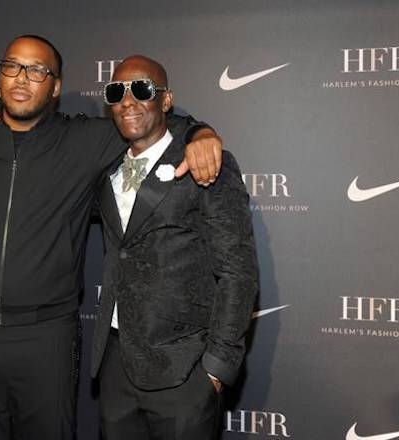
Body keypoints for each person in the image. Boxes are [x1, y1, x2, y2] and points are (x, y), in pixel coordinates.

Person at [0, 35, 223, 440]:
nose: (23, 78)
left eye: (38, 70)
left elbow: (154, 120)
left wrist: (201, 134)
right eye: (13, 66)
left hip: (47, 339)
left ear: (54, 87)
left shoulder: (86, 140)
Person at [90, 55, 258, 440]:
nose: (128, 101)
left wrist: (216, 367)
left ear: (166, 100)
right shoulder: (104, 169)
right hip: (115, 365)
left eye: (142, 89)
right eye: (117, 92)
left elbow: (238, 270)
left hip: (185, 369)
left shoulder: (203, 161)